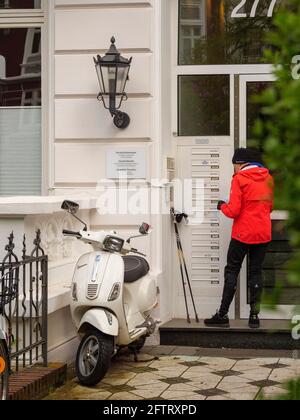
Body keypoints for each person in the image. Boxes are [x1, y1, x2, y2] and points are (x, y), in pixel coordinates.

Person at [204, 148, 274, 329]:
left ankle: (222, 315)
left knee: (232, 270)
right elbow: (270, 207)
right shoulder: (268, 178)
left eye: (234, 165)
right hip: (263, 233)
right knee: (256, 272)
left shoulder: (239, 179)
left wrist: (222, 206)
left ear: (240, 163)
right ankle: (254, 317)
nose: (233, 168)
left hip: (242, 234)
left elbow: (233, 210)